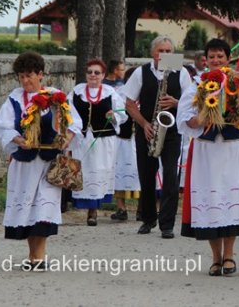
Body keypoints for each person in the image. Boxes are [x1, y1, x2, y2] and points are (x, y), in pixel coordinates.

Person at [177, 38, 239, 276]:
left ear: (228, 58)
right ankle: (215, 257)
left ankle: (229, 256)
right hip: (207, 151)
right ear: (206, 60)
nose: (216, 60)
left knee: (230, 200)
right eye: (212, 57)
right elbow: (185, 119)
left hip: (232, 149)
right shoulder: (197, 85)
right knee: (211, 203)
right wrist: (203, 117)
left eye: (220, 56)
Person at [0, 51, 82, 271]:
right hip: (24, 164)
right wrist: (17, 139)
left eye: (29, 75)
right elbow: (2, 126)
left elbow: (74, 123)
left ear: (41, 74)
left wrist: (65, 138)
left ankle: (39, 257)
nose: (25, 81)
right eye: (21, 76)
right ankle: (33, 256)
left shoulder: (55, 97)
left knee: (44, 209)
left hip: (49, 164)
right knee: (28, 210)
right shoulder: (14, 98)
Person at [121, 36, 192, 238]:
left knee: (170, 175)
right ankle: (148, 218)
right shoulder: (140, 72)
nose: (166, 55)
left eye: (170, 51)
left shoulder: (182, 72)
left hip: (172, 130)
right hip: (148, 129)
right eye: (162, 51)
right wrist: (143, 124)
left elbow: (191, 102)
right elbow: (129, 103)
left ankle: (167, 224)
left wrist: (177, 103)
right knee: (146, 175)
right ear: (153, 53)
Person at [69, 58, 127, 226]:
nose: (93, 75)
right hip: (82, 140)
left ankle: (94, 210)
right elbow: (66, 111)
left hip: (104, 140)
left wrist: (113, 116)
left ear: (102, 75)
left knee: (99, 171)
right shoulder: (76, 92)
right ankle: (82, 209)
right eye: (90, 72)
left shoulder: (110, 92)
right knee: (82, 171)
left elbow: (122, 114)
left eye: (97, 73)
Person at [111, 67, 140, 221]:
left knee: (142, 172)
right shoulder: (118, 92)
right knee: (120, 171)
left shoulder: (145, 92)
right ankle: (121, 207)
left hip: (140, 138)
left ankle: (142, 208)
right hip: (123, 139)